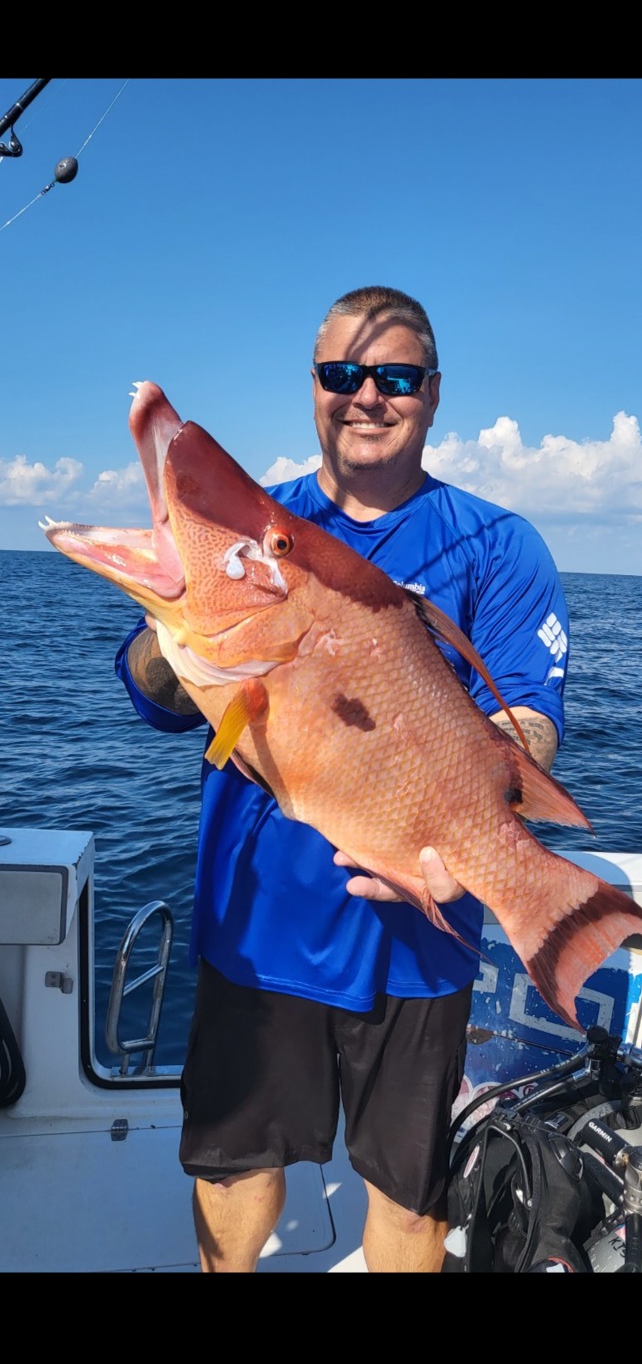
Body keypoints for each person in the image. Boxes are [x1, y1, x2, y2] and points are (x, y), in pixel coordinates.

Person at [115, 286, 569, 1273]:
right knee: (233, 1173)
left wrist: (476, 848)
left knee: (410, 1199)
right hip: (259, 927)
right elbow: (153, 695)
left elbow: (528, 716)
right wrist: (172, 628)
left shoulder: (500, 545)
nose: (367, 395)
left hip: (420, 937)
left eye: (396, 376)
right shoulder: (260, 535)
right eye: (342, 374)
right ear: (315, 389)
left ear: (433, 394)